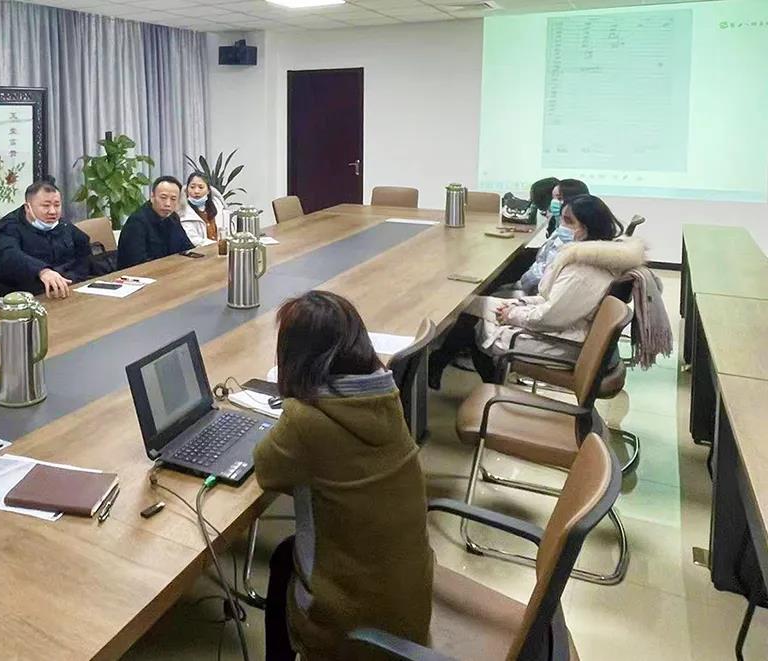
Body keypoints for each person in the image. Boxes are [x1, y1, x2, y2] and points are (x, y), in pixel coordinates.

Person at [254, 290, 434, 661]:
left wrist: (293, 405)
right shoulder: (384, 395)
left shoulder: (306, 421)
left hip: (353, 628)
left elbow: (267, 471)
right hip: (409, 605)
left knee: (283, 562)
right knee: (285, 555)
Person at [429, 194, 644, 387]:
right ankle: (454, 369)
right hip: (562, 328)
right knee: (472, 304)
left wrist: (512, 314)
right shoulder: (593, 258)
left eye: (569, 221)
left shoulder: (583, 271)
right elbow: (551, 300)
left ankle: (481, 382)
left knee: (474, 319)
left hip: (560, 343)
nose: (562, 225)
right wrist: (518, 305)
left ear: (587, 227)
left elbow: (550, 317)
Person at [0, 180, 91, 299]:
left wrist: (74, 277)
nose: (52, 211)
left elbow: (83, 249)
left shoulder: (61, 224)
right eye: (46, 206)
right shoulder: (9, 227)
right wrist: (42, 271)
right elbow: (8, 254)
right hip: (25, 295)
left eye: (57, 205)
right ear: (28, 207)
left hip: (65, 289)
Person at [117, 175, 193, 268]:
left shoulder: (173, 218)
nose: (168, 204)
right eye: (163, 197)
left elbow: (187, 247)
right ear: (152, 197)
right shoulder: (136, 222)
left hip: (170, 270)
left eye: (173, 199)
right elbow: (136, 263)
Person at [178, 172, 226, 246]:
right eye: (192, 187)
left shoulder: (218, 205)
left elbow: (227, 229)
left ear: (208, 190)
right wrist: (216, 245)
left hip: (222, 249)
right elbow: (193, 239)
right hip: (199, 251)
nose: (196, 191)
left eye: (201, 187)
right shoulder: (183, 211)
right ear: (187, 190)